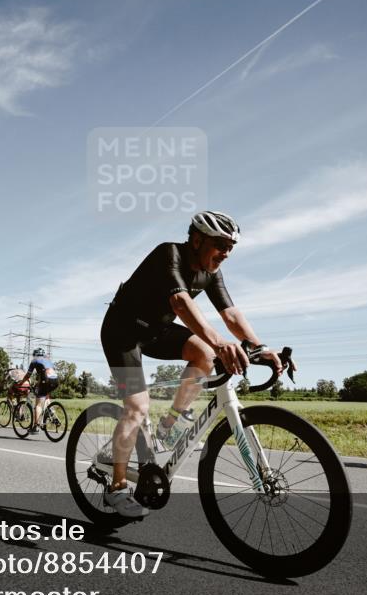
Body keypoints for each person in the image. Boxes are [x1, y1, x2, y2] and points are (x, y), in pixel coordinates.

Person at [99, 210, 284, 517]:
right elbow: (180, 303)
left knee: (204, 354)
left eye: (230, 247)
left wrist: (257, 345)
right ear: (197, 240)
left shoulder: (211, 272)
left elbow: (231, 314)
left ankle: (170, 426)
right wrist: (221, 341)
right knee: (136, 407)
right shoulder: (169, 253)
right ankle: (116, 489)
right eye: (220, 245)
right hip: (123, 331)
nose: (225, 253)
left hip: (157, 331)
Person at [18, 349, 60, 434]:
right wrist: (37, 384)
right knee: (46, 396)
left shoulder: (34, 361)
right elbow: (44, 375)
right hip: (55, 381)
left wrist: (21, 382)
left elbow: (28, 375)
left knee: (38, 405)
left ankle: (36, 426)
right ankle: (54, 417)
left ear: (35, 355)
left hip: (46, 381)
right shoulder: (48, 360)